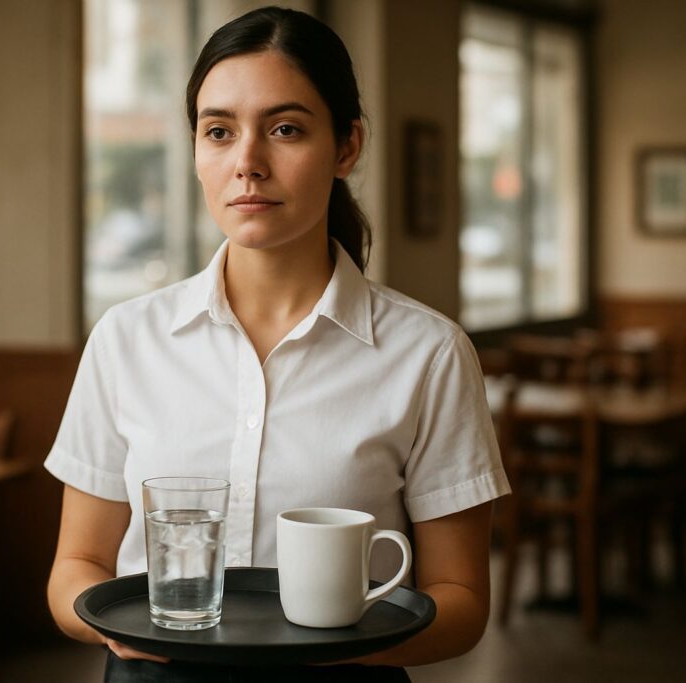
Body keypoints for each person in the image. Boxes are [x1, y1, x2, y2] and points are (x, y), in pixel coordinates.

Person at [46, 6, 510, 682]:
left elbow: (462, 601)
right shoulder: (125, 339)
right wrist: (113, 626)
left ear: (346, 146)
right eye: (219, 131)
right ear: (197, 152)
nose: (248, 163)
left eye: (285, 129)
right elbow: (74, 569)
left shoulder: (430, 354)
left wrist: (328, 645)